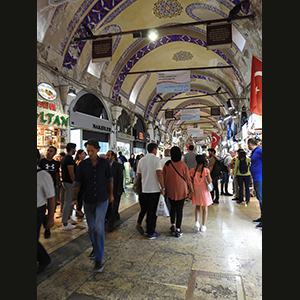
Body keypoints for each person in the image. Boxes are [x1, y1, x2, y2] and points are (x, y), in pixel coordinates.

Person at [72, 139, 114, 272]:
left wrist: (111, 194)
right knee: (91, 229)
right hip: (88, 200)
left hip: (102, 199)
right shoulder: (83, 165)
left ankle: (98, 259)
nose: (89, 153)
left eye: (92, 150)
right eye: (87, 151)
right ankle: (96, 248)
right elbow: (78, 182)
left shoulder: (104, 163)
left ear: (97, 149)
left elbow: (110, 179)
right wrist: (74, 198)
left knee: (98, 228)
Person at [137, 143, 165, 239]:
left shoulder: (141, 160)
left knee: (148, 210)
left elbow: (139, 174)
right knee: (153, 212)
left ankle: (149, 229)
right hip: (154, 190)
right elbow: (159, 173)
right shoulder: (157, 160)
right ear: (155, 149)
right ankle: (151, 232)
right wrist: (163, 187)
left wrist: (146, 177)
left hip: (145, 189)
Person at [163, 146, 193, 237]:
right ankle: (178, 229)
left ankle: (172, 225)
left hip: (170, 189)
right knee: (179, 209)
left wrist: (163, 188)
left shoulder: (167, 164)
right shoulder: (183, 165)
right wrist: (191, 187)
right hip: (181, 190)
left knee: (172, 207)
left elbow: (163, 177)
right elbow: (187, 178)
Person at [37, 149, 55, 273]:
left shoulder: (43, 175)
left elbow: (51, 198)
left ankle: (44, 259)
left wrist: (50, 217)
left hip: (38, 211)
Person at [38, 146, 60, 238]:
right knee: (42, 206)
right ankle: (44, 224)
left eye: (51, 151)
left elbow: (57, 174)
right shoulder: (41, 162)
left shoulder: (56, 163)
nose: (48, 152)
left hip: (52, 186)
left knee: (52, 206)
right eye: (48, 151)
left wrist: (58, 183)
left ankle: (48, 228)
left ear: (54, 153)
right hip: (42, 188)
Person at [189, 155, 213, 232]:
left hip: (196, 190)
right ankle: (203, 226)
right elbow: (210, 181)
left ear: (196, 161)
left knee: (197, 206)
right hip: (204, 191)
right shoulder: (206, 170)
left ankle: (196, 222)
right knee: (205, 208)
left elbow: (190, 181)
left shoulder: (192, 170)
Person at [105, 150, 124, 231]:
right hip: (106, 190)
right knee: (108, 207)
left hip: (116, 189)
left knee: (114, 207)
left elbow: (120, 178)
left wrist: (119, 190)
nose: (107, 157)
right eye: (106, 155)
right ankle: (111, 218)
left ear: (113, 156)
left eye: (108, 155)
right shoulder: (104, 165)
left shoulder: (118, 166)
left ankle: (110, 224)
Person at [61, 142, 77, 230]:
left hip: (65, 182)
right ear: (71, 149)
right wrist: (75, 183)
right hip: (69, 182)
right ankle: (65, 223)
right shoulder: (69, 159)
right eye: (74, 149)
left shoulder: (65, 158)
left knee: (68, 201)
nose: (75, 150)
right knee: (68, 202)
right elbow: (71, 172)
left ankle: (67, 218)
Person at [248, 138, 262, 229]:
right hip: (256, 178)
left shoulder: (259, 151)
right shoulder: (255, 152)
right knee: (259, 198)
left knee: (262, 199)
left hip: (260, 178)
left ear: (249, 144)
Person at [74, 149, 87, 218]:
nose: (84, 155)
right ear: (79, 155)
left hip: (81, 182)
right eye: (83, 154)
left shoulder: (81, 162)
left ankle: (78, 210)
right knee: (79, 196)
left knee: (80, 196)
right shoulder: (79, 163)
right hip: (79, 182)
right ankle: (78, 210)